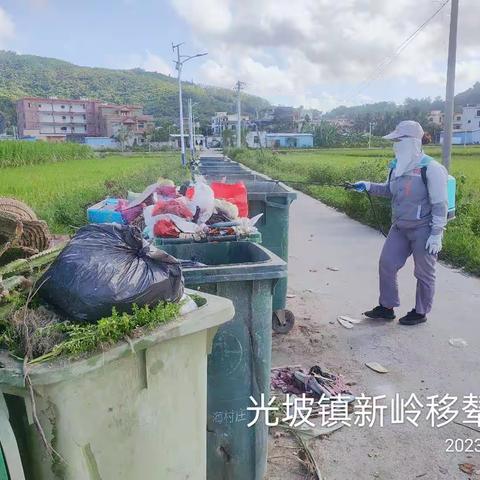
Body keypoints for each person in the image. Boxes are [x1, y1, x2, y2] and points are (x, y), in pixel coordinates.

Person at [353, 120, 448, 325]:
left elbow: (440, 204)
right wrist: (368, 186)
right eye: (394, 141)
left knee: (423, 273)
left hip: (424, 229)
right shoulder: (397, 167)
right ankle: (387, 307)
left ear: (413, 141)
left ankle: (420, 311)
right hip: (399, 226)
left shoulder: (431, 169)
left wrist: (436, 233)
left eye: (399, 140)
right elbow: (389, 190)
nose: (395, 144)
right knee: (387, 263)